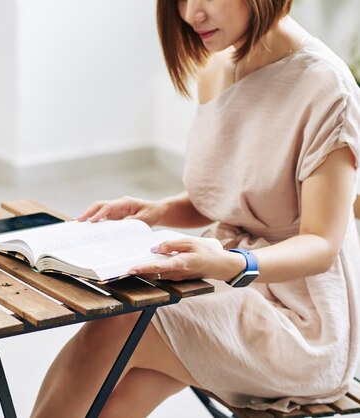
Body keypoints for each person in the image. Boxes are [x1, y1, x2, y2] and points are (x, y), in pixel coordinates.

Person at [30, 0, 360, 417]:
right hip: (225, 286)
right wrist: (157, 210)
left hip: (302, 323)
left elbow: (321, 244)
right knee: (116, 398)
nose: (190, 14)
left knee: (121, 320)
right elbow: (236, 197)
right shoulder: (217, 67)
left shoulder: (326, 86)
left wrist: (230, 263)